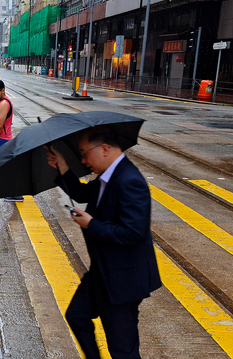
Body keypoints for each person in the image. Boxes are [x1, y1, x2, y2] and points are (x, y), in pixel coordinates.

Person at [45, 127, 161, 359]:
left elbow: (135, 232)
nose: (84, 161)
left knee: (122, 350)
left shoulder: (129, 181)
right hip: (103, 271)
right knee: (77, 315)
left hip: (123, 280)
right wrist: (64, 168)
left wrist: (92, 224)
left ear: (105, 149)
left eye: (85, 154)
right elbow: (83, 193)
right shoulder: (108, 176)